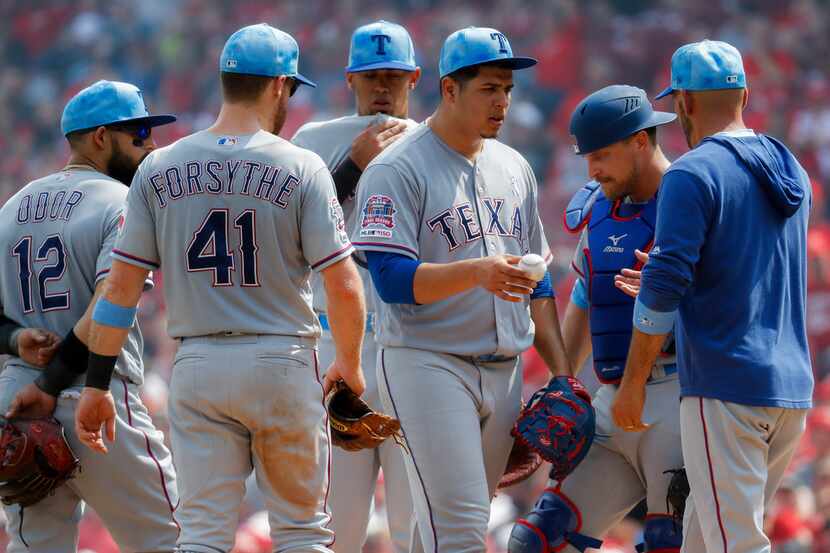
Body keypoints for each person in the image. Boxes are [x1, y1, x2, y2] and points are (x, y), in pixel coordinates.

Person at [75, 24, 367, 553]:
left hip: (198, 364)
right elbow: (343, 283)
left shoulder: (158, 168)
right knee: (302, 533)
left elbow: (119, 292)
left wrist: (97, 384)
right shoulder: (301, 165)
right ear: (279, 85)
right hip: (283, 358)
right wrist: (348, 360)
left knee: (202, 534)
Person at [351, 26, 570, 553]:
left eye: (507, 90)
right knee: (465, 526)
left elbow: (537, 282)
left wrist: (562, 373)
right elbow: (391, 280)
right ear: (449, 89)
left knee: (443, 531)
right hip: (427, 361)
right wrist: (476, 272)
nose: (502, 102)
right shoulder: (396, 168)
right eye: (488, 88)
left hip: (504, 368)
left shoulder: (514, 167)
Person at [612, 40, 814, 553]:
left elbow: (664, 286)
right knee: (704, 536)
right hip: (789, 387)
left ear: (683, 102)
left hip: (727, 386)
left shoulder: (691, 171)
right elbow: (744, 280)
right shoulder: (791, 169)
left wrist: (633, 382)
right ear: (743, 93)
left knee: (737, 545)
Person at [0, 79, 179, 552]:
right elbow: (109, 303)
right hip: (96, 399)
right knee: (175, 542)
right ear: (101, 137)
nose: (151, 144)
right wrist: (52, 384)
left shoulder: (12, 208)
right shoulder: (120, 201)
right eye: (138, 133)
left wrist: (16, 341)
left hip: (16, 404)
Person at [508, 84, 683, 553]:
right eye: (588, 156)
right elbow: (587, 302)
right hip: (613, 401)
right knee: (536, 541)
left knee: (669, 543)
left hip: (679, 397)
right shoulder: (601, 208)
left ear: (641, 142)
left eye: (602, 154)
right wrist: (563, 381)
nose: (592, 169)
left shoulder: (692, 199)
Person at [291, 19, 419, 553]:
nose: (382, 87)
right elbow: (289, 241)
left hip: (415, 344)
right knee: (334, 523)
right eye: (371, 77)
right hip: (332, 346)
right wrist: (351, 167)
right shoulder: (310, 144)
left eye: (393, 75)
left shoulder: (439, 144)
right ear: (350, 79)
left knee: (418, 522)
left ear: (414, 78)